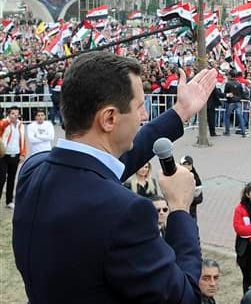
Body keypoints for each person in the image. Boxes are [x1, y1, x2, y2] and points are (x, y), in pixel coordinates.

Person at [13, 51, 217, 303]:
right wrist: (179, 209)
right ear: (109, 118)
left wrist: (180, 112)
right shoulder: (127, 213)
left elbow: (103, 164)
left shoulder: (33, 170)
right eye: (140, 107)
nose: (144, 116)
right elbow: (183, 297)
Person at [0, 105, 26, 208]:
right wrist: (8, 121)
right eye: (12, 113)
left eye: (16, 113)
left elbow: (23, 140)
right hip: (3, 155)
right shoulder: (4, 123)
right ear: (8, 114)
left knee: (12, 179)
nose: (15, 116)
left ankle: (9, 201)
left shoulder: (21, 125)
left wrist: (23, 153)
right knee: (1, 178)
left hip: (15, 154)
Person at [180, 155, 204, 221]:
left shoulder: (196, 179)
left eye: (189, 164)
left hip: (191, 213)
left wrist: (188, 200)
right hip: (180, 212)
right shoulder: (176, 177)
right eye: (184, 164)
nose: (187, 166)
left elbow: (199, 198)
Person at [225, 71, 247, 137]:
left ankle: (227, 132)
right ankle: (243, 132)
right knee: (240, 117)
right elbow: (242, 93)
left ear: (230, 76)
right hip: (238, 102)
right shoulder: (239, 83)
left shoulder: (228, 83)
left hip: (231, 102)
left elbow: (226, 93)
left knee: (227, 117)